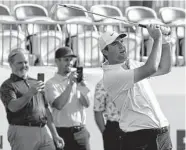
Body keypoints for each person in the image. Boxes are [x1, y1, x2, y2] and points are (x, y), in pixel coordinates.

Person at [94, 24, 173, 150]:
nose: (121, 45)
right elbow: (150, 68)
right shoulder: (111, 75)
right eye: (114, 44)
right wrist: (157, 38)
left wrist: (165, 39)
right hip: (140, 138)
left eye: (121, 41)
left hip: (162, 135)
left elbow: (164, 68)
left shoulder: (133, 64)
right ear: (105, 51)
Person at [0, 48, 64, 150]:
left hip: (43, 131)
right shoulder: (7, 85)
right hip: (21, 131)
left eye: (25, 62)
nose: (24, 65)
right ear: (11, 65)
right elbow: (12, 107)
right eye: (20, 63)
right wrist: (29, 94)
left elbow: (46, 110)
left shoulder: (36, 82)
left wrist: (55, 134)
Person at [45, 47, 91, 150]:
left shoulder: (78, 81)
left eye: (71, 60)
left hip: (81, 132)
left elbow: (87, 103)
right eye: (66, 60)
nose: (70, 63)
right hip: (62, 134)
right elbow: (59, 105)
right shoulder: (50, 83)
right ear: (57, 61)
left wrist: (80, 85)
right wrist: (70, 85)